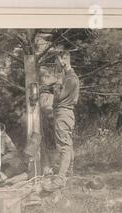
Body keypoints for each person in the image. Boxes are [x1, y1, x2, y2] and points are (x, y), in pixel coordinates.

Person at [43, 50, 79, 191]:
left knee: (63, 146)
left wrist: (56, 84)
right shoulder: (69, 77)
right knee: (67, 144)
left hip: (63, 113)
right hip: (65, 114)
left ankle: (60, 179)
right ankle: (68, 173)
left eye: (57, 61)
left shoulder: (70, 78)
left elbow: (58, 97)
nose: (56, 64)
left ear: (63, 60)